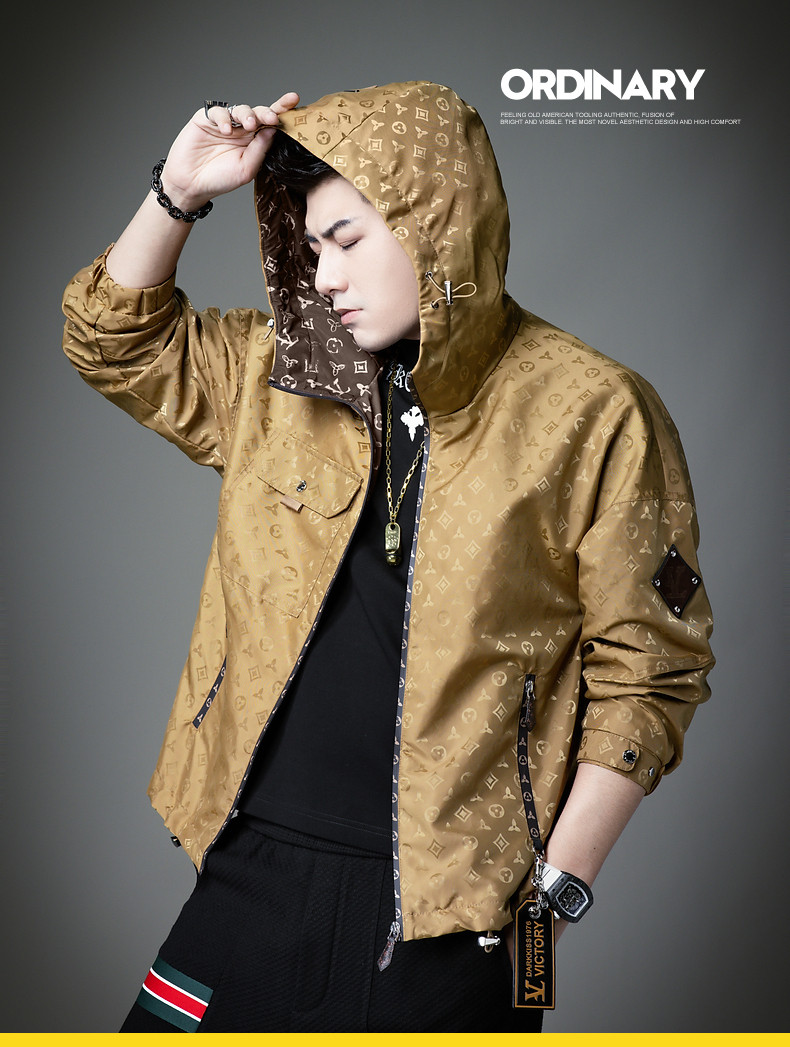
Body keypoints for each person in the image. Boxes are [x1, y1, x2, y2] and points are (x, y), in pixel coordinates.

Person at [61, 81, 714, 1033]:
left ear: (432, 225)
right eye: (312, 248)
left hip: (454, 917)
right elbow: (110, 338)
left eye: (348, 240)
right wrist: (178, 190)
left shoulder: (594, 411)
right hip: (250, 866)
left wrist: (546, 915)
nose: (324, 276)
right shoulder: (277, 373)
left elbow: (651, 671)